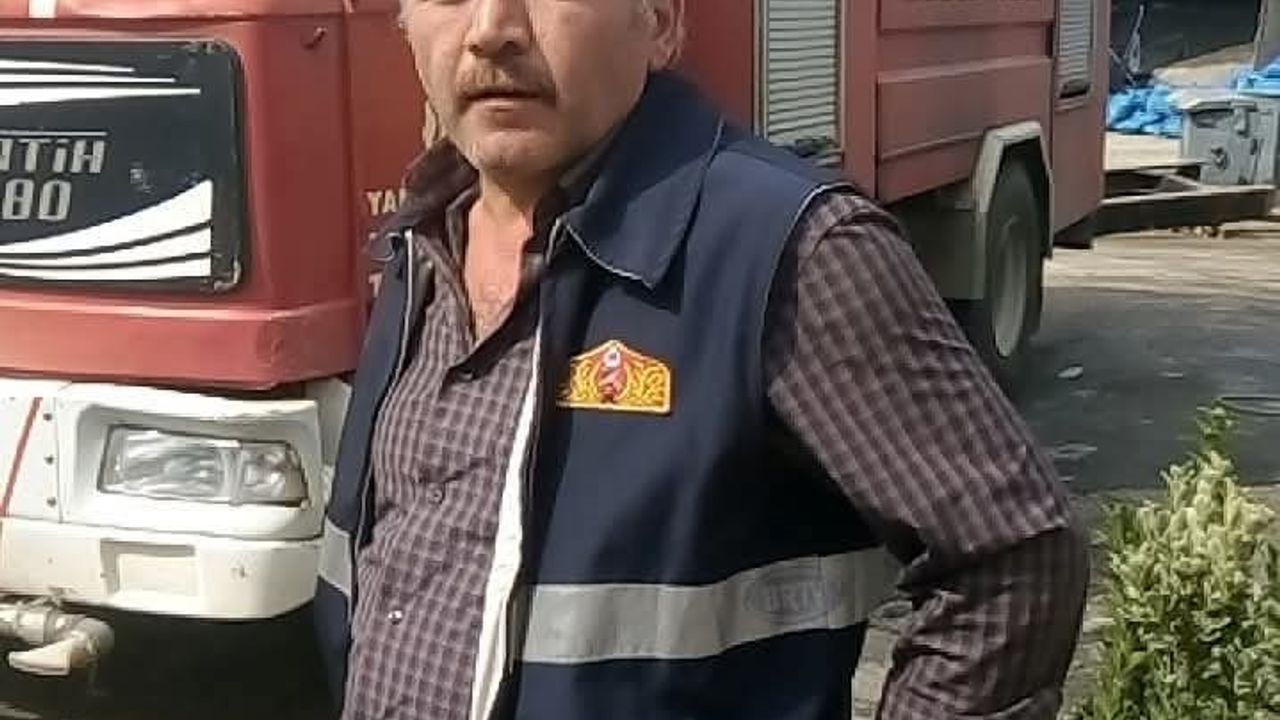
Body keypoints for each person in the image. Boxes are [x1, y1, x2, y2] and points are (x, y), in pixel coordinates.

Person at [315, 1, 1090, 719]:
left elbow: (1015, 565)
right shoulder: (420, 245)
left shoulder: (789, 254)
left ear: (660, 22)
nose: (491, 29)